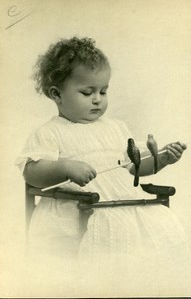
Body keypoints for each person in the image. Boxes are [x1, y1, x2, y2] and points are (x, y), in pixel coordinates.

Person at [16, 37, 190, 294]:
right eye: (87, 92)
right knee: (88, 270)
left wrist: (161, 160)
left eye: (103, 91)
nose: (97, 99)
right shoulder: (51, 132)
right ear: (57, 94)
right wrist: (65, 167)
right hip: (79, 213)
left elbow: (132, 169)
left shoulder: (116, 128)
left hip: (125, 207)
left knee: (156, 244)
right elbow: (31, 172)